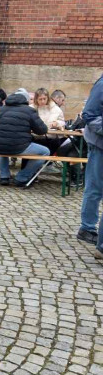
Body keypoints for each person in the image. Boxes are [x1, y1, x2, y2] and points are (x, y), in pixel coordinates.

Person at [0, 88, 49, 187]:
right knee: (45, 151)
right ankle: (22, 177)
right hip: (19, 146)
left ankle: (4, 176)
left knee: (1, 148)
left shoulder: (1, 109)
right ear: (26, 100)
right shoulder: (29, 110)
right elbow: (42, 130)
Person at [77, 74, 103, 256]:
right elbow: (90, 115)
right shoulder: (102, 85)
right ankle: (87, 228)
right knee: (95, 188)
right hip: (99, 145)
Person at [32, 87, 65, 154]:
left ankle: (47, 163)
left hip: (50, 138)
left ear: (48, 98)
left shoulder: (56, 109)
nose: (43, 101)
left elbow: (62, 122)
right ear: (36, 99)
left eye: (44, 99)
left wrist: (57, 123)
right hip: (35, 137)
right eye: (40, 99)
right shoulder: (31, 108)